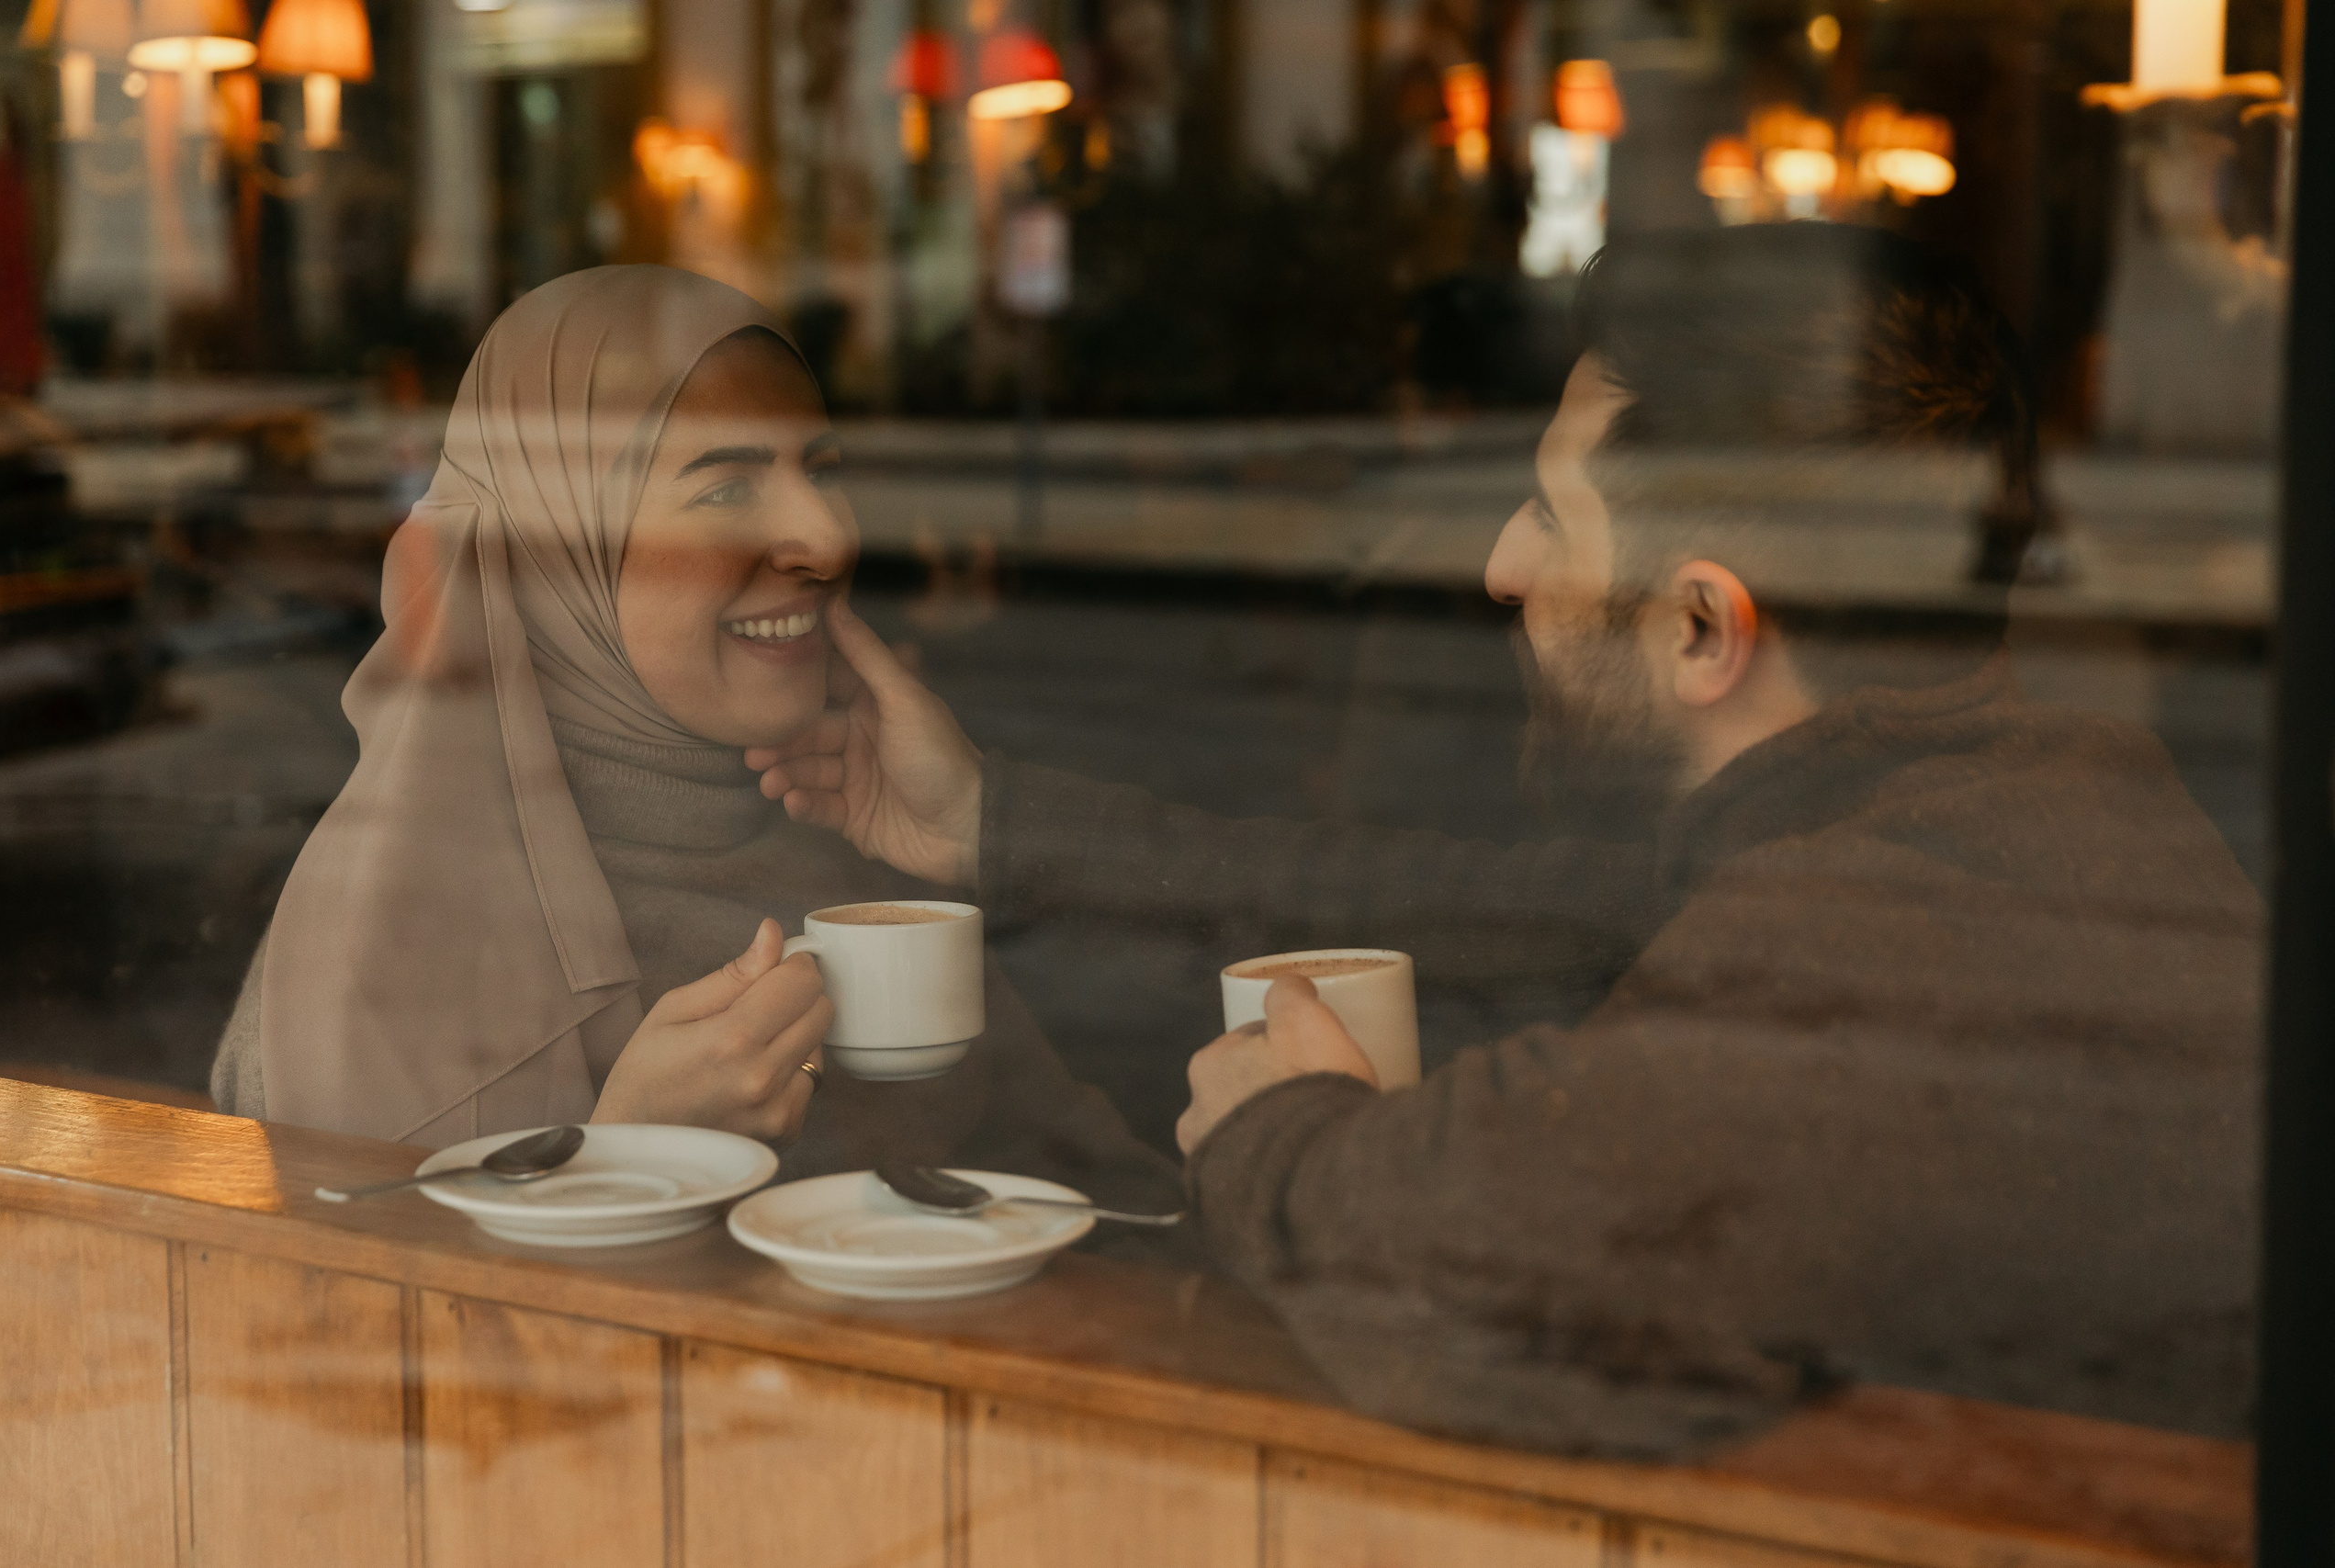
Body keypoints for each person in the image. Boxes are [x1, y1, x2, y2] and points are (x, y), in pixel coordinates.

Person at [747, 226, 2261, 1455]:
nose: (1501, 566)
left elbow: (1490, 1281)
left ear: (1700, 624)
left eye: (1552, 515)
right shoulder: (1975, 798)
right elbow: (1477, 903)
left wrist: (1290, 1135)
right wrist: (990, 825)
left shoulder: (1901, 932)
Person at [209, 265, 1175, 1219]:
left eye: (823, 472)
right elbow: (349, 1346)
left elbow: (1096, 1201)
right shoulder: (380, 952)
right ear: (558, 554)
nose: (826, 540)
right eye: (724, 490)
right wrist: (624, 1164)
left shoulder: (852, 853)